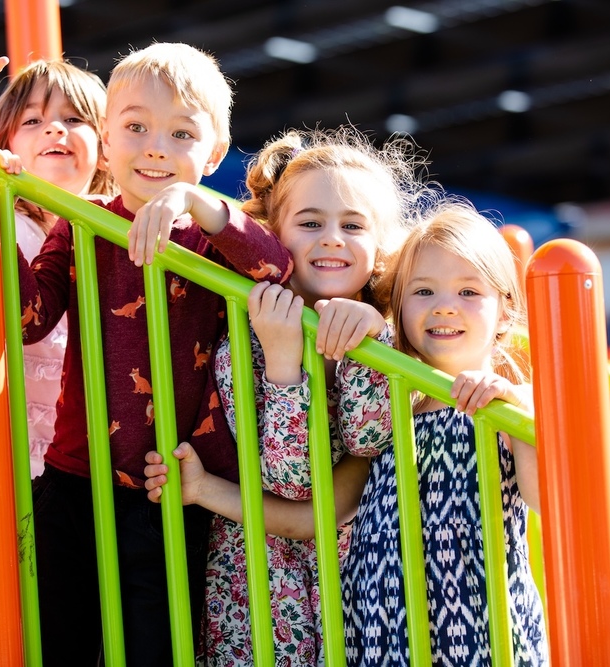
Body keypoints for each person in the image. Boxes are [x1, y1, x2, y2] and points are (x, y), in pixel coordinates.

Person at [11, 39, 294, 666]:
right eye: (135, 127)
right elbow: (29, 320)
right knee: (64, 640)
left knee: (156, 645)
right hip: (74, 476)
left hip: (175, 482)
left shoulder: (215, 236)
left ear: (215, 153)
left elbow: (277, 268)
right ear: (108, 141)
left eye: (182, 133)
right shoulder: (80, 225)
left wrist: (198, 204)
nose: (156, 147)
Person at [144, 125, 430, 664]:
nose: (332, 238)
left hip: (354, 579)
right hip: (259, 585)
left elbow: (372, 440)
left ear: (381, 245)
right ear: (273, 233)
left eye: (353, 225)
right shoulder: (247, 330)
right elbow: (291, 481)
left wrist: (373, 340)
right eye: (310, 223)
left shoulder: (391, 331)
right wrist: (283, 362)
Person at [336, 201, 548, 665]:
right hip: (382, 627)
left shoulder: (504, 406)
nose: (445, 306)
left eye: (469, 292)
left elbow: (543, 498)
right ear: (399, 308)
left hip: (477, 630)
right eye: (424, 291)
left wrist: (519, 411)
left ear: (505, 314)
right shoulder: (395, 401)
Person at [0, 22, 114, 479]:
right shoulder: (0, 212)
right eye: (32, 121)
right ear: (5, 143)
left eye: (74, 120)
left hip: (91, 445)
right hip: (7, 439)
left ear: (107, 148)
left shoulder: (114, 225)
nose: (54, 129)